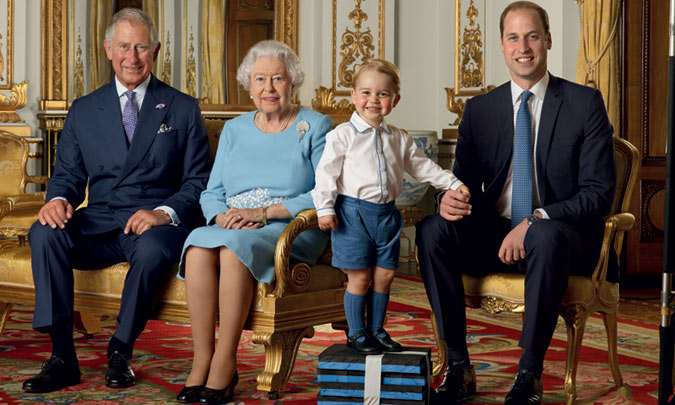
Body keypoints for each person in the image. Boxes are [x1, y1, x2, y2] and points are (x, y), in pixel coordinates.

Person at [416, 2, 616, 404]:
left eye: (532, 36)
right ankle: (458, 366)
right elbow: (464, 183)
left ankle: (529, 373)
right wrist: (447, 199)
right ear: (502, 47)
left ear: (547, 41)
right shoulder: (480, 110)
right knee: (432, 229)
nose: (523, 46)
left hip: (561, 237)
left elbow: (597, 193)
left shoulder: (584, 103)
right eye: (513, 37)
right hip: (496, 232)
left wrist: (538, 218)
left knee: (543, 234)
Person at [22, 8, 211, 393]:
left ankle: (120, 351)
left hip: (154, 223)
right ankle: (62, 356)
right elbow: (68, 178)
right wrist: (57, 200)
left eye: (141, 47)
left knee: (155, 249)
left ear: (155, 51)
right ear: (109, 49)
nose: (133, 57)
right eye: (124, 46)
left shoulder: (183, 107)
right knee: (44, 231)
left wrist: (163, 213)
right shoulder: (84, 109)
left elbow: (199, 182)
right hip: (101, 219)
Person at [177, 40, 333, 404]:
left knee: (233, 252)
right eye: (260, 79)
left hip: (288, 229)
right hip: (233, 224)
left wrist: (263, 214)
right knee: (199, 245)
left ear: (292, 82)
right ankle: (202, 358)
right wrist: (221, 216)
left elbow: (324, 192)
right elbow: (210, 191)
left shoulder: (314, 125)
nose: (268, 88)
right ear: (249, 84)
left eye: (277, 78)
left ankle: (225, 362)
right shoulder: (234, 129)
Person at [312, 59, 470, 355]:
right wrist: (324, 208)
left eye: (382, 94)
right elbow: (325, 174)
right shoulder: (341, 136)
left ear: (395, 100)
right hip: (353, 214)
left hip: (387, 215)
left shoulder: (398, 137)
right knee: (359, 276)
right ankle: (356, 334)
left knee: (384, 275)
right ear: (353, 96)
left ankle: (376, 329)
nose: (373, 100)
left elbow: (423, 167)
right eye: (366, 93)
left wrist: (451, 183)